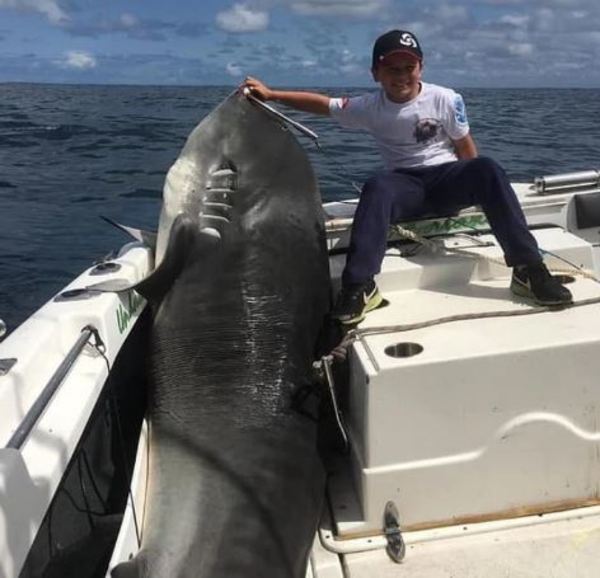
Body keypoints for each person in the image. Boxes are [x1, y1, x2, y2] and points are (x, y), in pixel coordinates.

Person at [242, 29, 572, 324]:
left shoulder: (445, 98)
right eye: (392, 69)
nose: (402, 76)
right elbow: (323, 105)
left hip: (447, 180)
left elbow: (464, 146)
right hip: (406, 187)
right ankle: (359, 286)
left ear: (421, 68)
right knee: (377, 185)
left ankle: (529, 269)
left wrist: (478, 192)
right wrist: (271, 95)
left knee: (486, 168)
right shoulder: (369, 106)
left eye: (409, 68)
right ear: (376, 73)